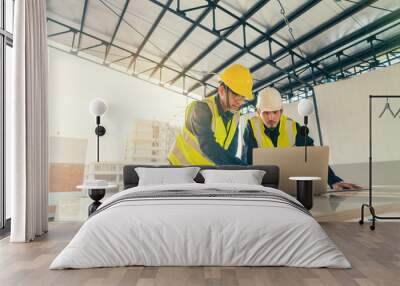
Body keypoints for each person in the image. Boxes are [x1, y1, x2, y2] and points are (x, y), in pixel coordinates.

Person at [242, 87, 362, 191]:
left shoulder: (292, 127)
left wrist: (333, 180)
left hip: (289, 185)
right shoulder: (251, 127)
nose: (271, 117)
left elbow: (312, 154)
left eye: (275, 112)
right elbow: (247, 162)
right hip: (265, 187)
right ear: (258, 112)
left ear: (281, 111)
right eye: (266, 113)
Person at [168, 64, 253, 165]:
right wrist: (241, 166)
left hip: (204, 172)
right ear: (221, 90)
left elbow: (231, 151)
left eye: (243, 97)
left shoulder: (235, 116)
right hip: (180, 167)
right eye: (235, 94)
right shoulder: (201, 109)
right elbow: (208, 145)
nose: (239, 101)